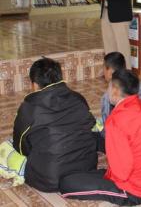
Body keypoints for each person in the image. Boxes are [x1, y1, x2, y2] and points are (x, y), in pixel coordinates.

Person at [60, 69, 141, 205]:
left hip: (136, 191)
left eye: (108, 86)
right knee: (90, 174)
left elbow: (121, 172)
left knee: (66, 183)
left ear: (115, 91)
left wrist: (108, 176)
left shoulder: (116, 120)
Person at [12, 58, 97, 192]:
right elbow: (90, 125)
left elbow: (21, 148)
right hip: (87, 168)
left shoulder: (29, 108)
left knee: (7, 148)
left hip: (48, 179)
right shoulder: (78, 98)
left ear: (34, 84)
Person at [100, 52, 141, 135]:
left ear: (110, 72)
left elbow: (107, 128)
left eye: (103, 68)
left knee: (95, 127)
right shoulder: (137, 82)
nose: (103, 72)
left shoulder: (108, 97)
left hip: (126, 133)